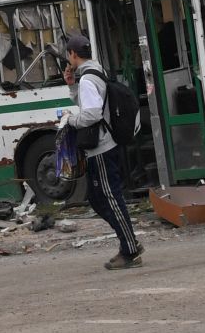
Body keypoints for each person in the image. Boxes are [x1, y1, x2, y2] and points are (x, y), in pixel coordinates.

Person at [57, 33, 143, 270]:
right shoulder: (95, 72)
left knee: (110, 197)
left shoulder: (88, 79)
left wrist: (69, 120)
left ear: (73, 55)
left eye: (69, 55)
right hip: (103, 146)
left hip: (102, 147)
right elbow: (90, 104)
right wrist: (72, 86)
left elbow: (92, 113)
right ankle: (129, 242)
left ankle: (130, 249)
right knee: (97, 199)